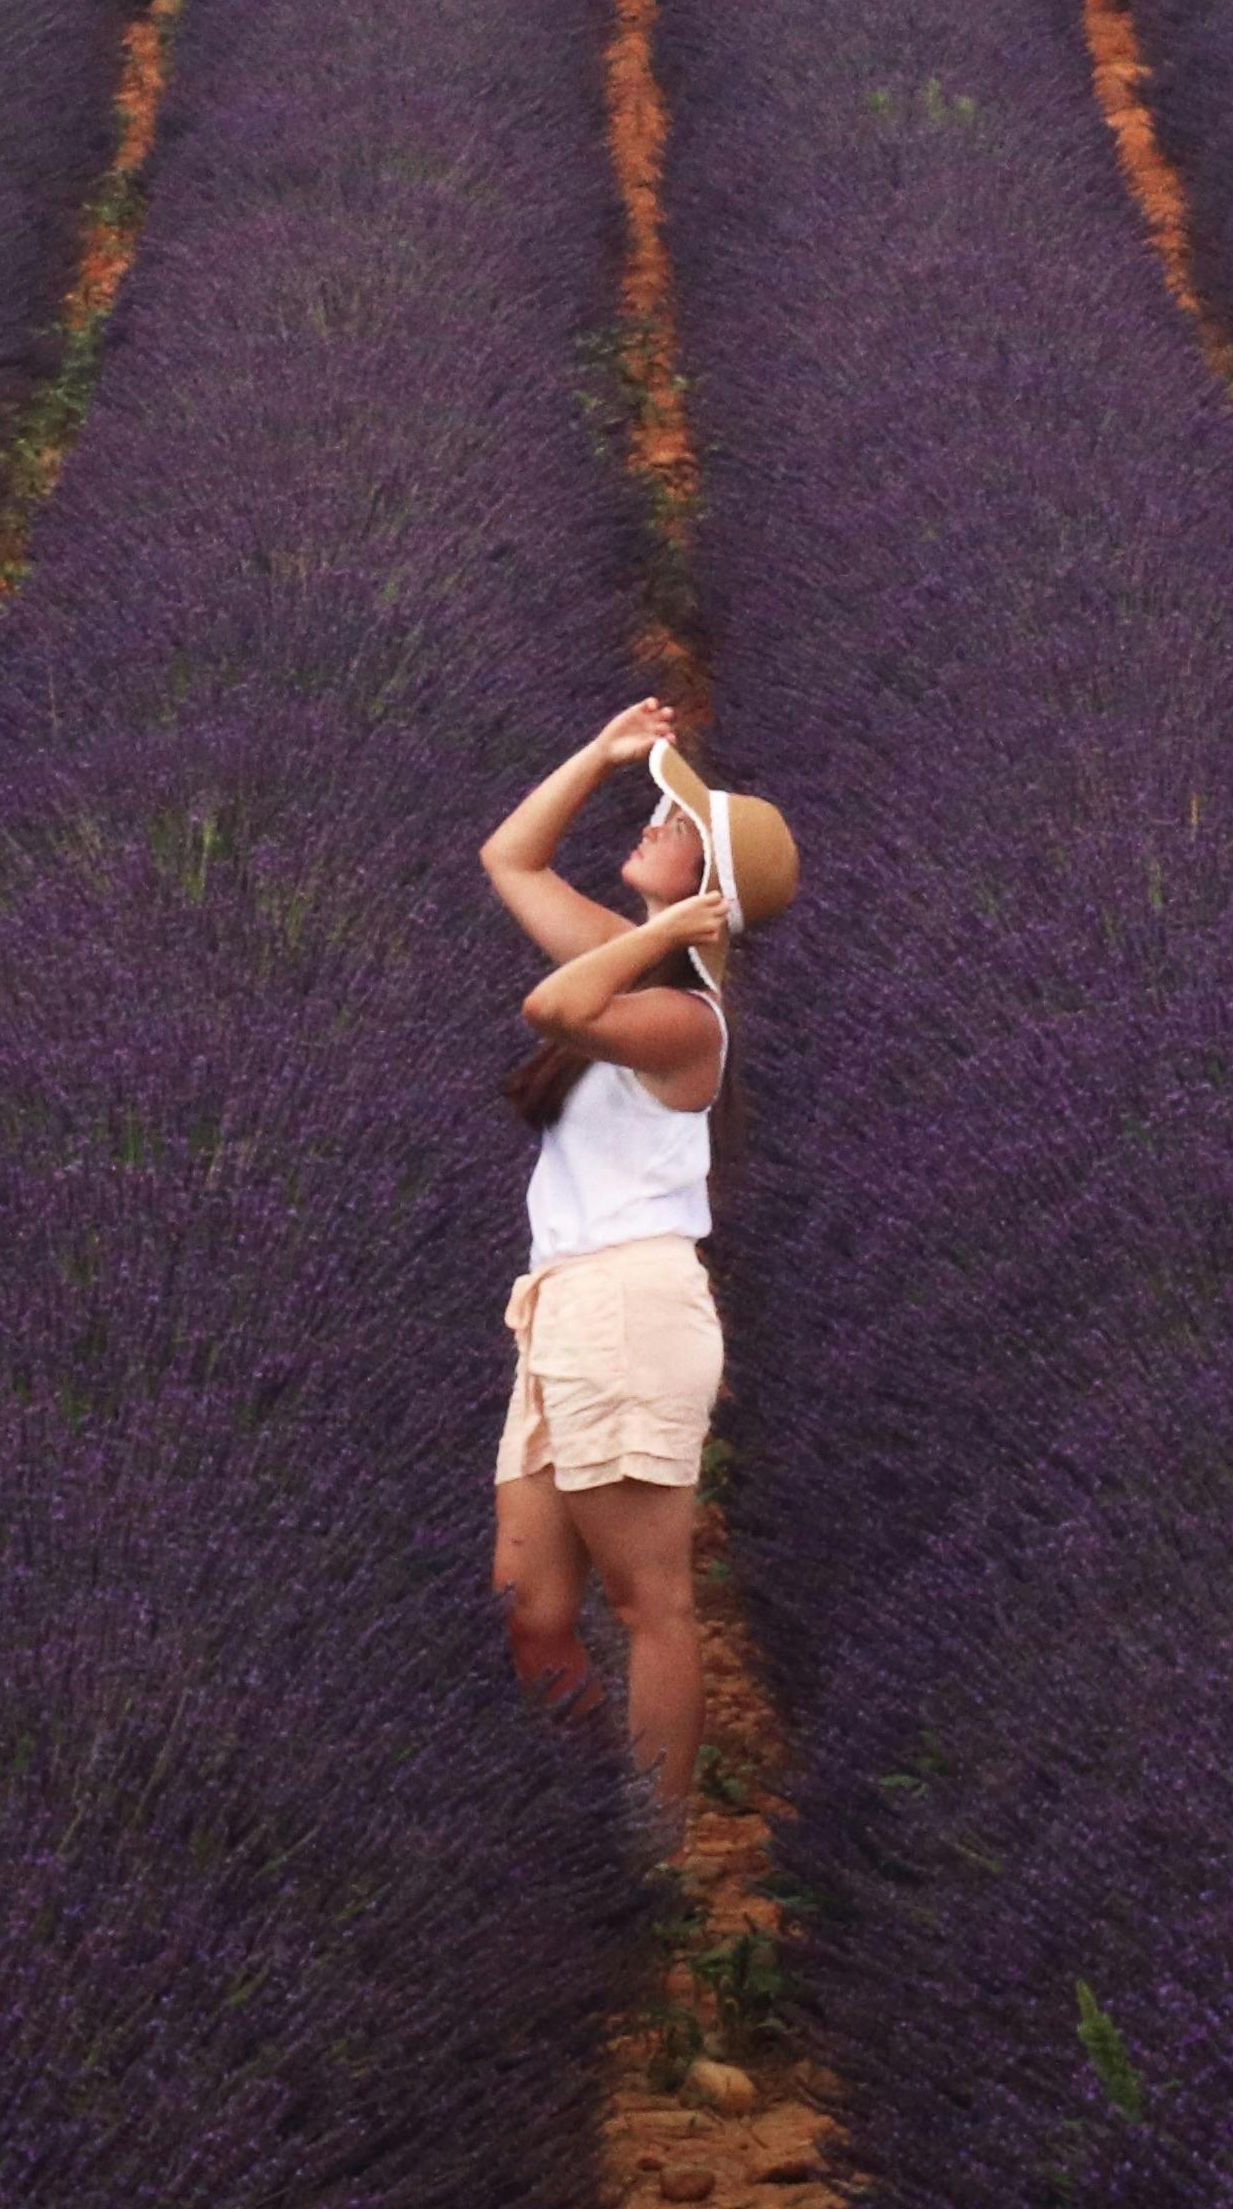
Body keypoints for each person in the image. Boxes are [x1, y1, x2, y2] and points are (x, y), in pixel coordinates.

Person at [480, 695, 800, 1851]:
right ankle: (583, 1831)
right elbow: (507, 857)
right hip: (560, 1304)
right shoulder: (638, 966)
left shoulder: (683, 1017)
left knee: (650, 1606)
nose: (652, 815)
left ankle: (650, 1859)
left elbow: (551, 1006)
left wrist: (668, 935)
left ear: (701, 876)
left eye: (669, 814)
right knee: (533, 1611)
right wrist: (601, 750)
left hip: (631, 1304)